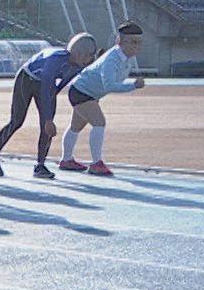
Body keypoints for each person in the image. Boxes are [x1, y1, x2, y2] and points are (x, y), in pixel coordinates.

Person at [0, 33, 97, 179]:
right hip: (27, 78)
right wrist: (48, 117)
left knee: (47, 127)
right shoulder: (55, 59)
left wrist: (48, 115)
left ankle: (40, 165)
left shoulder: (78, 65)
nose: (89, 60)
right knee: (17, 120)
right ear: (78, 53)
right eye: (88, 56)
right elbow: (46, 85)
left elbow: (58, 87)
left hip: (44, 84)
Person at [57, 21, 146, 176]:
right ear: (120, 41)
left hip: (87, 92)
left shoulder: (125, 59)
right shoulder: (112, 60)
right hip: (81, 92)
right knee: (99, 122)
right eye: (133, 42)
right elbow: (110, 85)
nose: (137, 47)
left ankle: (66, 159)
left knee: (75, 127)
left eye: (139, 43)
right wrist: (133, 85)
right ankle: (96, 163)